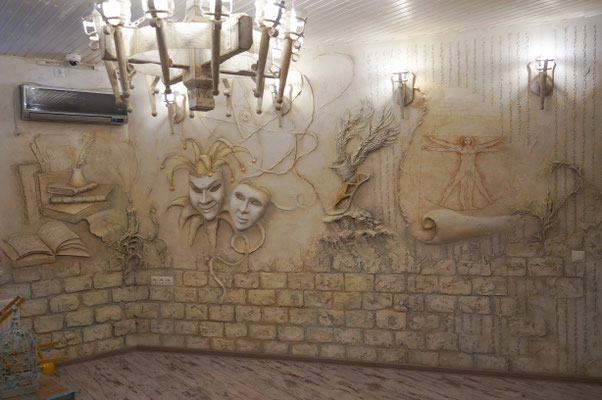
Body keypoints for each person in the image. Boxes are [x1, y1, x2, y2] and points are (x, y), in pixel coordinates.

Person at [423, 136, 502, 210]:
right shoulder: (460, 148)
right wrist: (432, 144)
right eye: (466, 140)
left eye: (469, 140)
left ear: (471, 141)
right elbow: (445, 146)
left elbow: (487, 146)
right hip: (463, 169)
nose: (467, 141)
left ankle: (473, 205)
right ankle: (443, 201)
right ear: (464, 141)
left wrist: (498, 141)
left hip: (472, 169)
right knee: (455, 185)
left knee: (473, 187)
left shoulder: (475, 148)